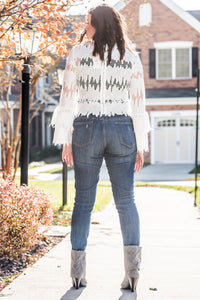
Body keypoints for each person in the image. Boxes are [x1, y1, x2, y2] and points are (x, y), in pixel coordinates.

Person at [51, 4, 150, 293]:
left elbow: (68, 98)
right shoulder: (130, 57)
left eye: (88, 20)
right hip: (122, 128)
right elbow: (139, 104)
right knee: (126, 201)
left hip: (86, 128)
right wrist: (141, 145)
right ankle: (132, 274)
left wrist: (66, 138)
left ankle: (77, 275)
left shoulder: (78, 53)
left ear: (98, 24)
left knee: (83, 201)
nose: (85, 24)